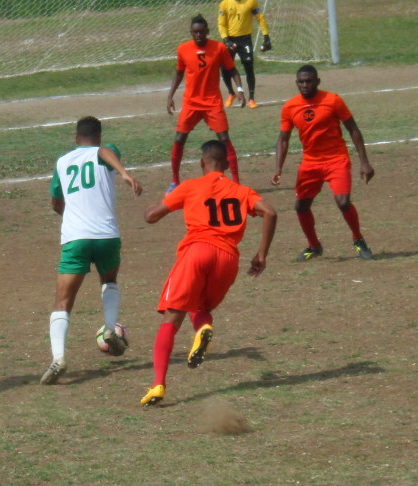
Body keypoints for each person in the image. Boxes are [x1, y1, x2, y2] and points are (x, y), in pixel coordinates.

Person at [141, 140, 277, 406]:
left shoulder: (190, 186)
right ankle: (203, 327)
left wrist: (150, 207)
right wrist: (261, 255)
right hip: (227, 258)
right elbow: (270, 212)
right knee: (200, 305)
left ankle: (158, 384)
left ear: (202, 162)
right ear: (226, 165)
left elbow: (152, 217)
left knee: (172, 315)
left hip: (198, 251)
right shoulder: (241, 190)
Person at [41, 116, 143, 385]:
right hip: (107, 236)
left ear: (76, 138)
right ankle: (110, 328)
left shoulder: (62, 162)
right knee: (109, 280)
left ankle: (59, 358)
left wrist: (71, 214)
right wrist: (123, 173)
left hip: (75, 239)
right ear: (99, 135)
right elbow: (103, 152)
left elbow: (55, 202)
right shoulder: (107, 152)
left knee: (62, 303)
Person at [271, 65, 375, 261]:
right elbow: (283, 139)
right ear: (296, 83)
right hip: (310, 164)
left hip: (336, 159)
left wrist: (364, 162)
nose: (305, 85)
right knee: (301, 207)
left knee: (343, 202)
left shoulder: (333, 101)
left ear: (317, 81)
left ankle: (358, 239)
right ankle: (314, 246)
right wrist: (278, 168)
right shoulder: (290, 107)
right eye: (301, 82)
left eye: (309, 81)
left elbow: (353, 129)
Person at [167, 13, 246, 193]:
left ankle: (236, 182)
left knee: (225, 139)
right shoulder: (183, 49)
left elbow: (232, 70)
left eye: (202, 31)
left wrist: (239, 90)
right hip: (191, 103)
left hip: (212, 103)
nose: (199, 35)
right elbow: (179, 73)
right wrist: (170, 95)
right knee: (179, 139)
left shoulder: (218, 48)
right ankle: (174, 181)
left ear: (207, 31)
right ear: (191, 33)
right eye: (195, 32)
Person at [218, 0, 272, 109]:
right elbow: (221, 23)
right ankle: (231, 93)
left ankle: (251, 99)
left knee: (248, 67)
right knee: (224, 68)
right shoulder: (225, 3)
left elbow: (260, 17)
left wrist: (266, 35)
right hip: (230, 39)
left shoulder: (251, 2)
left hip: (245, 39)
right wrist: (225, 39)